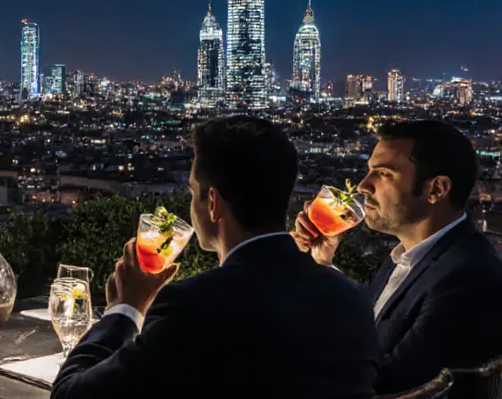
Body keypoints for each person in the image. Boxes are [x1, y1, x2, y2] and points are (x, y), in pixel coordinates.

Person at [51, 116, 378, 399]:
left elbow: (70, 394)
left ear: (212, 202)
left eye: (193, 192)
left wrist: (125, 309)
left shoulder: (193, 305)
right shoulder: (350, 300)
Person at [293, 119, 502, 393]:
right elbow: (372, 317)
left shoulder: (468, 277)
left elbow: (389, 383)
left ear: (436, 190)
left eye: (383, 174)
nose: (363, 186)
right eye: (369, 172)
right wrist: (323, 262)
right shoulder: (421, 256)